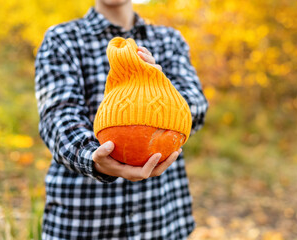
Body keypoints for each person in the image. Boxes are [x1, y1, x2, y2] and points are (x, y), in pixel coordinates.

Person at [34, 0, 208, 239]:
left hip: (160, 219)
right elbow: (58, 116)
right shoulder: (62, 39)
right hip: (83, 220)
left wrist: (160, 88)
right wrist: (94, 158)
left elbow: (196, 106)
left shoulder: (169, 40)